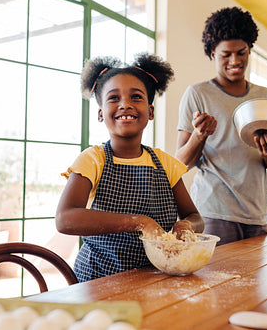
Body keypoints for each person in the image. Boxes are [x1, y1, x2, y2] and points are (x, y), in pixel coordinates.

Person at [56, 53, 204, 282]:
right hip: (98, 282)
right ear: (100, 113)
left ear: (151, 111)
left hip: (155, 279)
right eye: (113, 98)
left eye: (136, 97)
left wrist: (185, 225)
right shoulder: (93, 160)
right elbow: (65, 219)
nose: (125, 104)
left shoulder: (165, 164)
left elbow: (195, 217)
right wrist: (140, 222)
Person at [176, 7, 267, 245]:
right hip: (213, 212)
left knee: (253, 283)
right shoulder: (198, 94)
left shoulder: (266, 96)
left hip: (256, 214)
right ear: (212, 54)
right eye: (225, 54)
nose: (235, 61)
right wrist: (199, 135)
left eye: (242, 53)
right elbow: (180, 164)